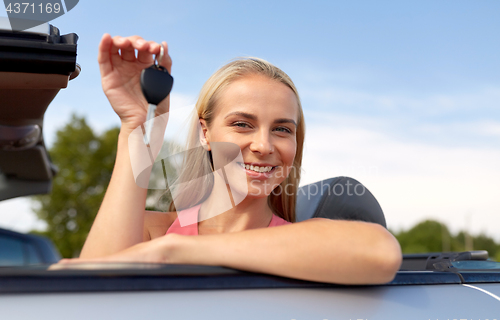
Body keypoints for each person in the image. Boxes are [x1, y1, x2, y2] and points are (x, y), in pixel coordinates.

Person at [55, 33, 402, 285]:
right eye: (242, 124)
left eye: (282, 130)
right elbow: (88, 295)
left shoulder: (305, 244)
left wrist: (173, 254)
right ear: (206, 133)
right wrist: (136, 127)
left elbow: (382, 252)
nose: (263, 145)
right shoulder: (151, 231)